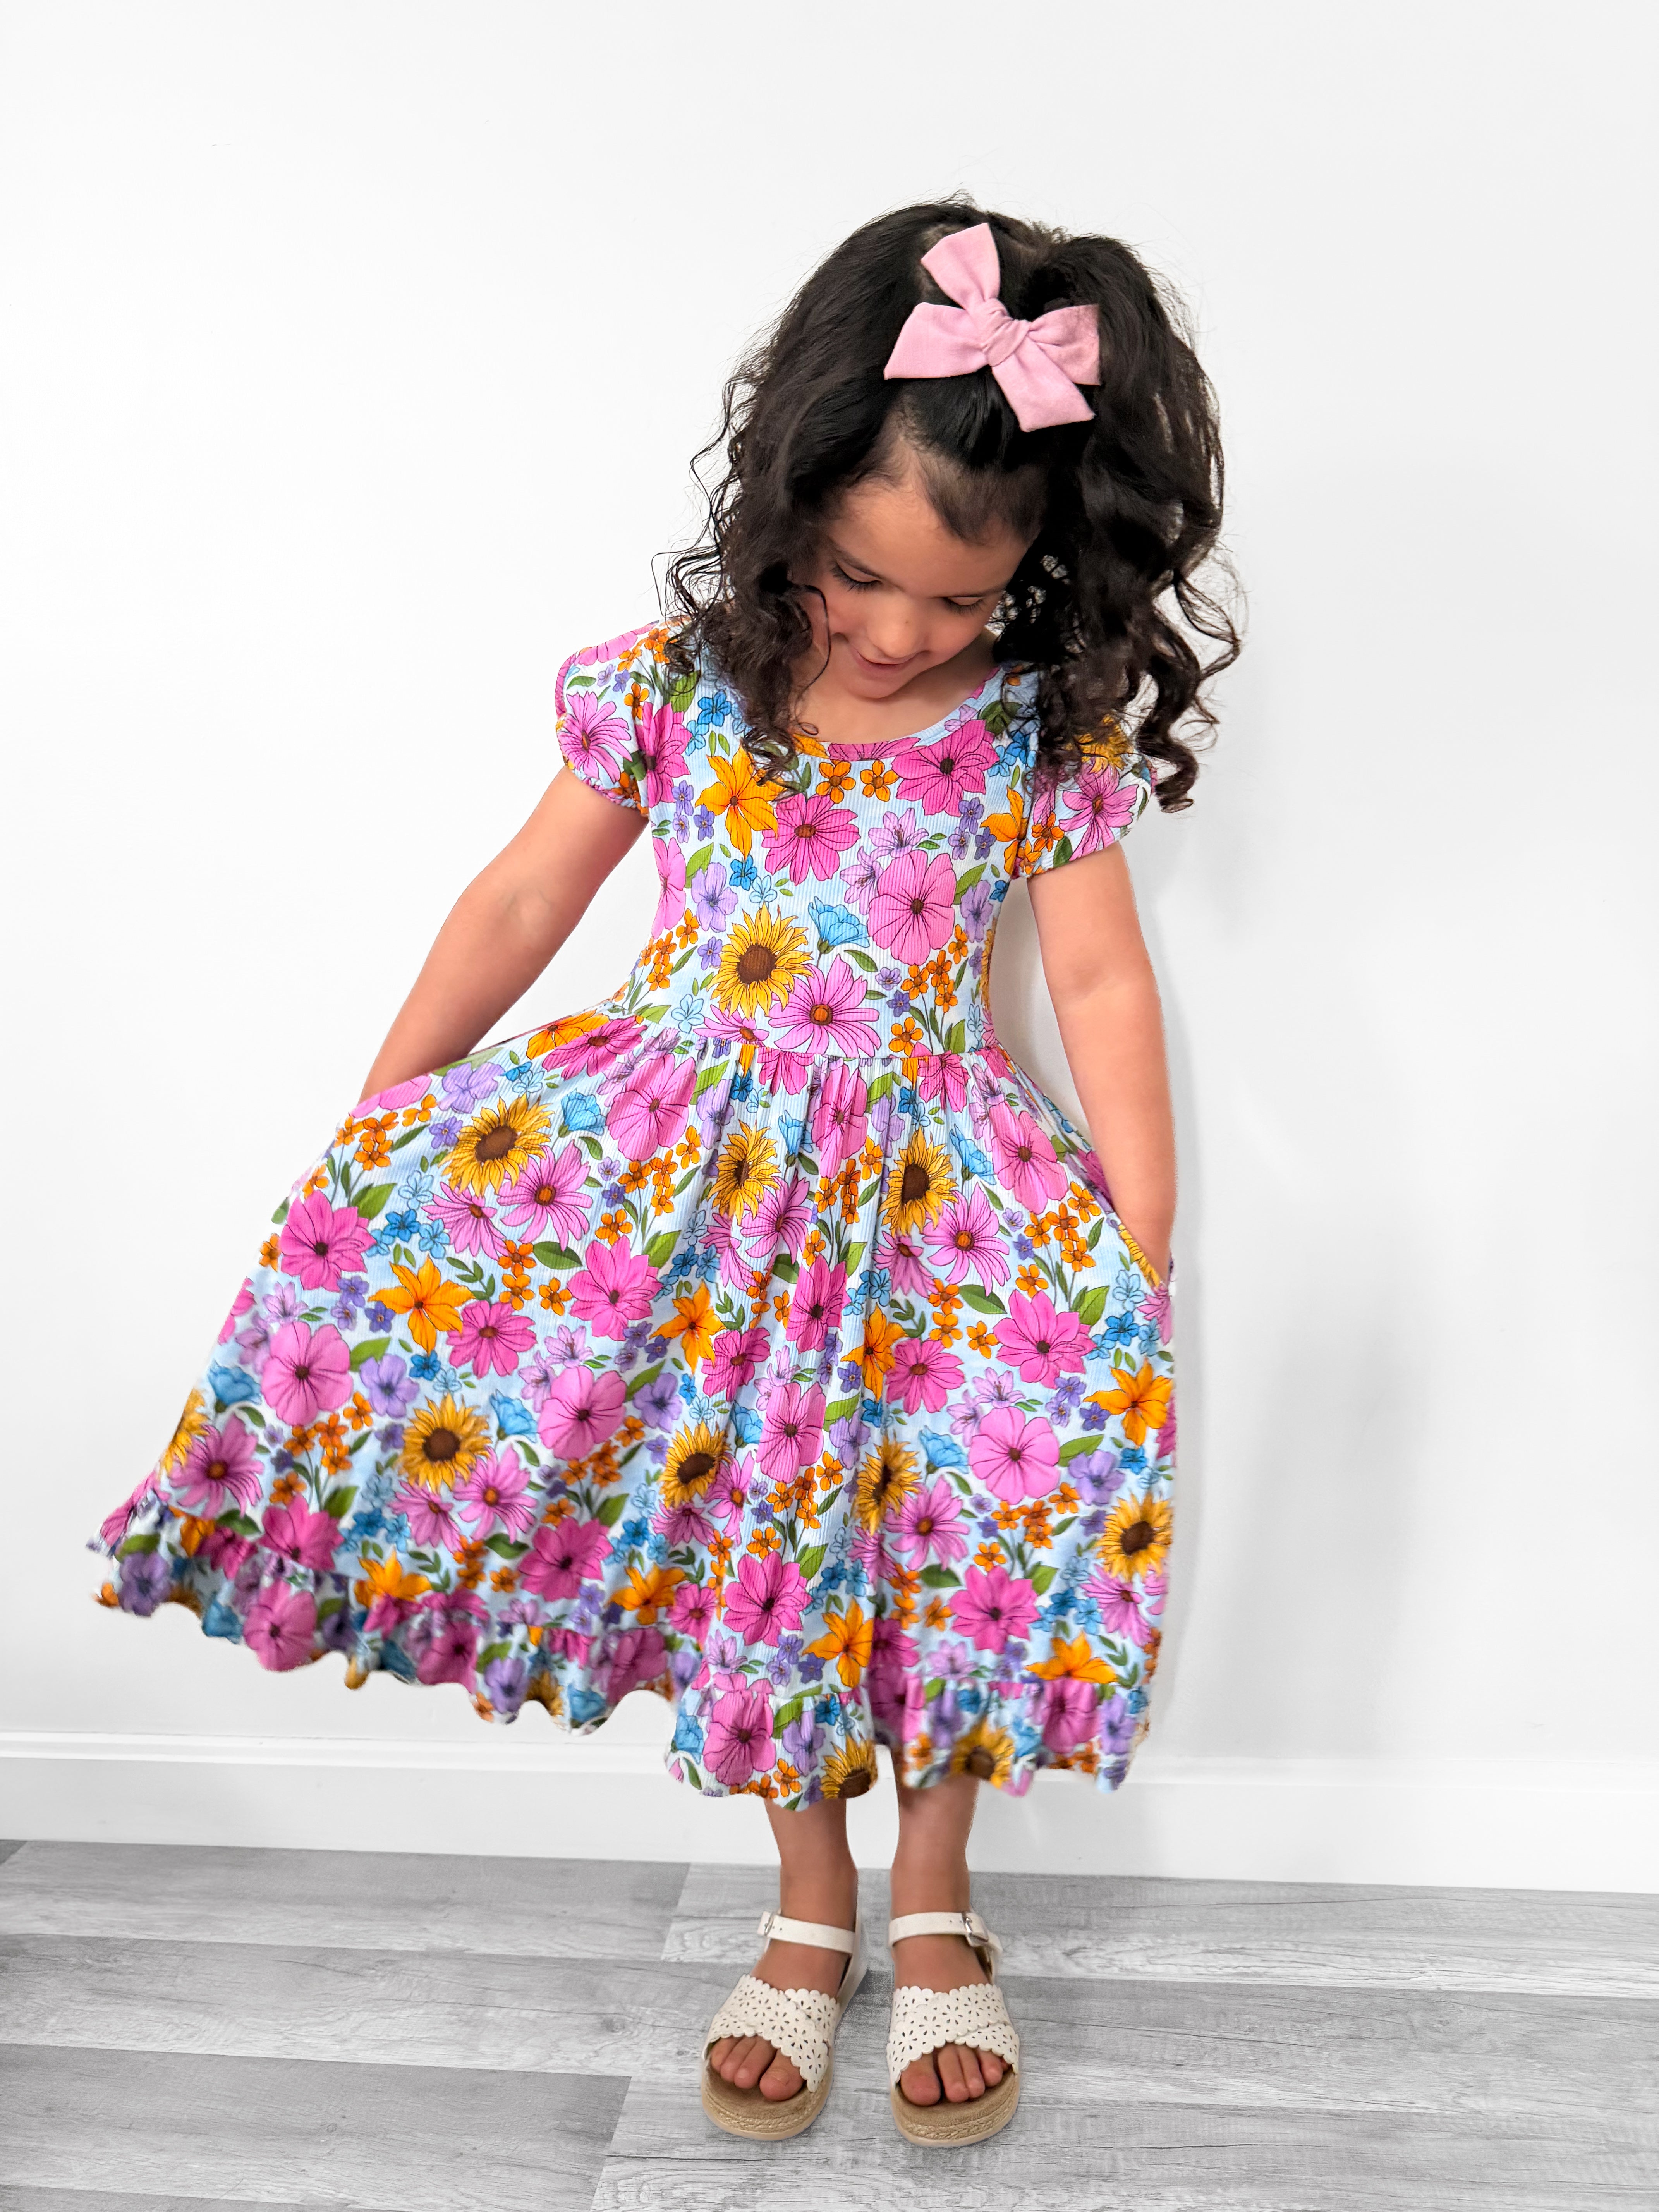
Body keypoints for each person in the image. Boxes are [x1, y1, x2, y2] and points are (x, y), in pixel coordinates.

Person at [91, 201, 1236, 2148]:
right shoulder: (678, 687)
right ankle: (809, 1905)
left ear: (1044, 563)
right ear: (791, 495)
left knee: (947, 1538)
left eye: (958, 600)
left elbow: (1101, 982)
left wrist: (1139, 1227)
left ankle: (937, 1894)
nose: (899, 634)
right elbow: (524, 897)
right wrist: (386, 1110)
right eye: (863, 577)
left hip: (941, 1214)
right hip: (697, 1204)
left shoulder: (1038, 738)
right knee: (760, 1550)